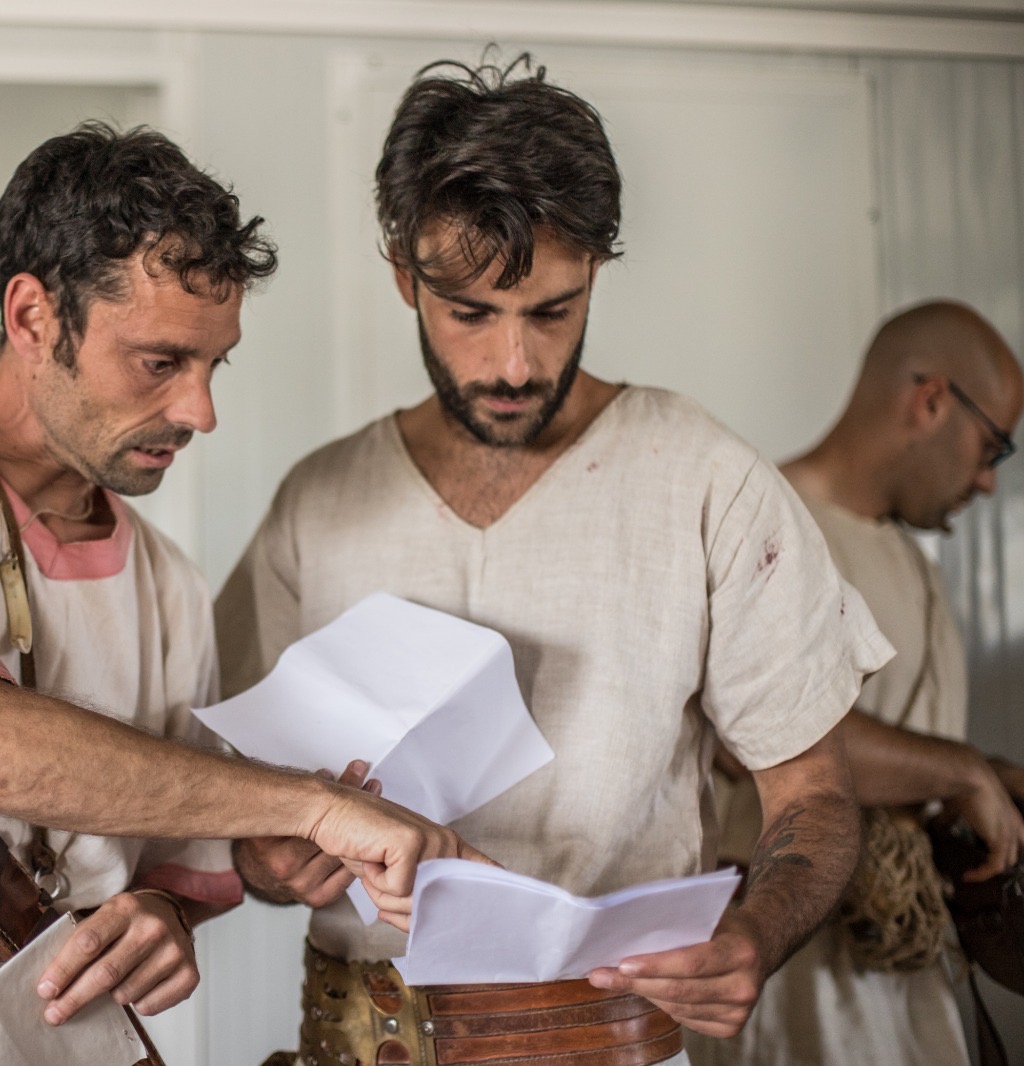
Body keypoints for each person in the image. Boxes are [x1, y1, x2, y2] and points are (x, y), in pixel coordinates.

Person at [0, 122, 479, 1063]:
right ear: (33, 317)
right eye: (160, 362)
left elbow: (172, 872)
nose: (200, 411)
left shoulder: (170, 585)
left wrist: (164, 912)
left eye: (214, 364)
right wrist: (309, 804)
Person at [217, 56, 890, 1066]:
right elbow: (235, 809)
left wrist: (759, 930)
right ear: (403, 276)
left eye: (550, 311)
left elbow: (815, 796)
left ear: (595, 275)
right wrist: (265, 860)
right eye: (470, 314)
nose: (513, 365)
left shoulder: (705, 479)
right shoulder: (318, 504)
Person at [691, 301, 1024, 1066]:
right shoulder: (760, 525)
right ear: (932, 401)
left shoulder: (908, 557)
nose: (987, 482)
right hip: (799, 982)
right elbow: (753, 738)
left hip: (907, 963)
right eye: (992, 447)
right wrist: (961, 771)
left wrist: (987, 777)